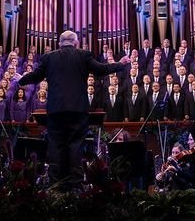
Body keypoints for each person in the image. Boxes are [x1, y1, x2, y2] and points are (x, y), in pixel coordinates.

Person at [17, 30, 128, 181]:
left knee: (56, 145)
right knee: (76, 145)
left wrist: (20, 80)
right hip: (77, 109)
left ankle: (56, 184)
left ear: (59, 44)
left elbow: (36, 76)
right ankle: (74, 184)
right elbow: (101, 70)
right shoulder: (84, 55)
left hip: (56, 110)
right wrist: (119, 64)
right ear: (76, 43)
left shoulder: (48, 57)